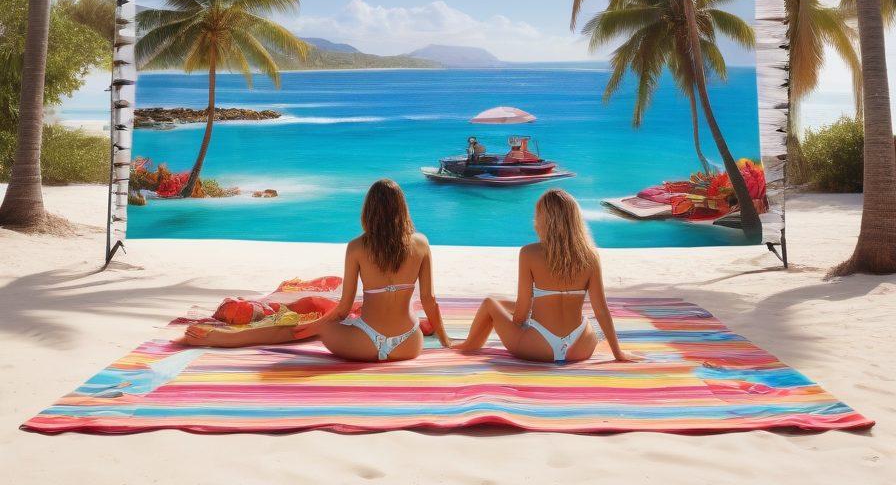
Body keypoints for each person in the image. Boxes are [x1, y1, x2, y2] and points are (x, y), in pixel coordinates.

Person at [182, 179, 452, 361]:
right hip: (409, 344)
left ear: (369, 211)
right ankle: (228, 338)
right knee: (409, 311)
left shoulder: (357, 247)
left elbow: (344, 308)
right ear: (402, 210)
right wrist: (446, 340)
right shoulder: (421, 243)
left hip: (366, 343)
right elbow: (429, 301)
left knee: (308, 329)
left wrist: (313, 326)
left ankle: (227, 339)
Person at [453, 188, 638, 364]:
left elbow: (520, 315)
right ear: (575, 220)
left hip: (539, 346)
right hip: (581, 346)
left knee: (490, 304)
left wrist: (519, 325)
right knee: (575, 314)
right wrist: (617, 352)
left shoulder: (529, 253)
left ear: (543, 219)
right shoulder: (590, 256)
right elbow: (601, 310)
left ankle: (468, 345)